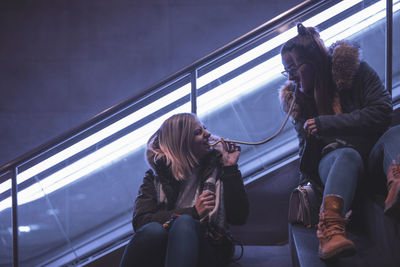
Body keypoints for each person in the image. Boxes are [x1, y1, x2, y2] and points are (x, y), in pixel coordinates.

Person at [278, 23, 395, 260]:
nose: (290, 77)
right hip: (333, 164)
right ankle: (330, 231)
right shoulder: (298, 101)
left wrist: (325, 123)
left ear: (313, 62)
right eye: (286, 71)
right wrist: (309, 193)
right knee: (347, 155)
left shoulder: (356, 71)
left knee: (397, 133)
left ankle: (397, 184)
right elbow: (305, 155)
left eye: (293, 68)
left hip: (372, 159)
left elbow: (382, 110)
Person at [119, 113, 249, 267]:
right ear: (182, 143)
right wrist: (193, 211)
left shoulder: (218, 166)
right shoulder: (156, 176)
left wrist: (230, 168)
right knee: (153, 230)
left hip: (208, 249)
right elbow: (142, 221)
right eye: (198, 132)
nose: (207, 134)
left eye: (204, 128)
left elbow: (239, 217)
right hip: (162, 250)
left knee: (184, 222)